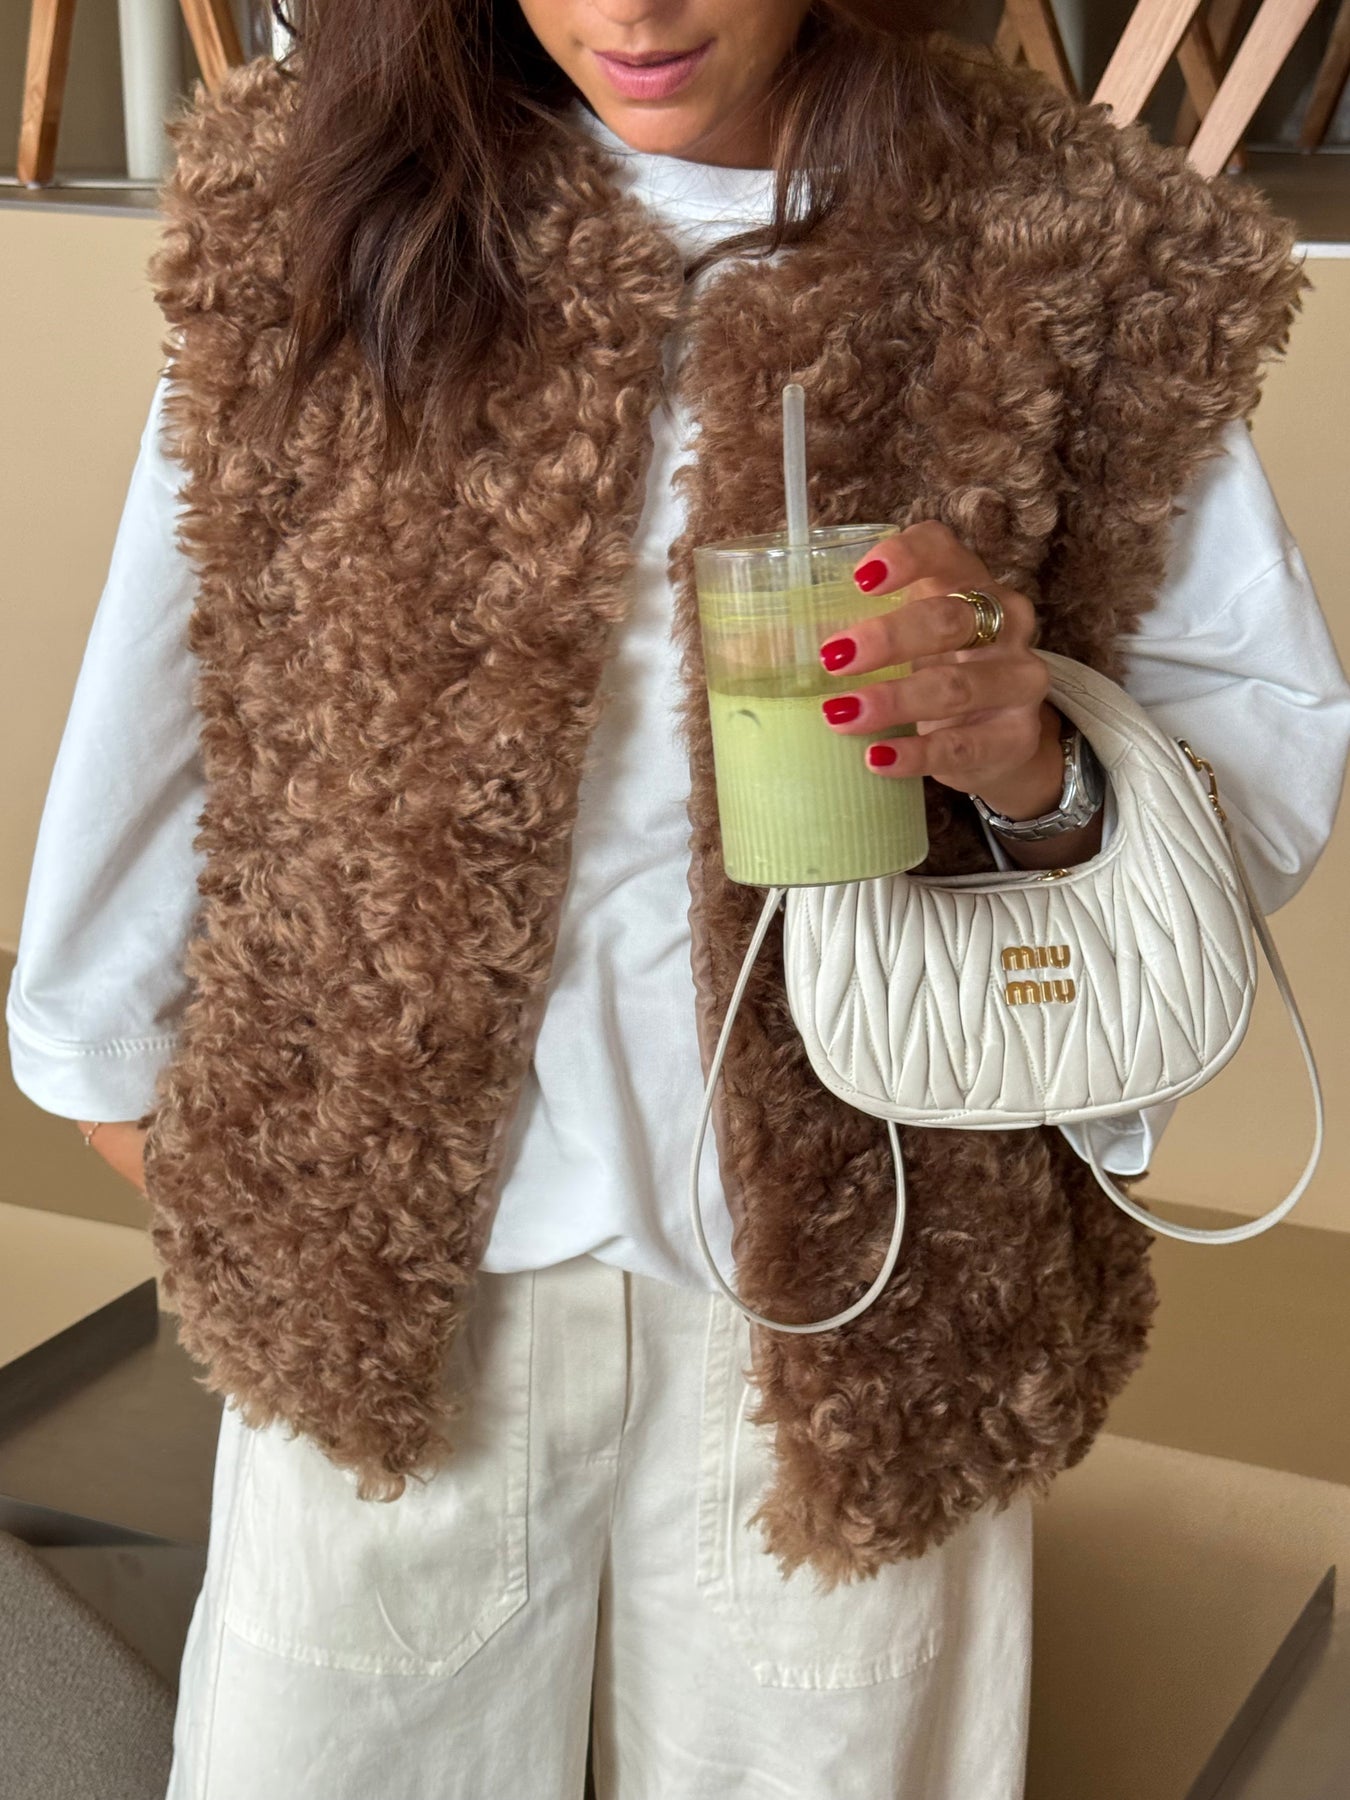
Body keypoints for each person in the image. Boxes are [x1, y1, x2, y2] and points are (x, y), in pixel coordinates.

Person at [8, 2, 1350, 1794]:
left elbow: (1250, 741)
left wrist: (1026, 747)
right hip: (414, 1256)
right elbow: (180, 653)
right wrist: (117, 1072)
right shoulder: (327, 196)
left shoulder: (1073, 247)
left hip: (869, 1265)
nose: (633, 12)